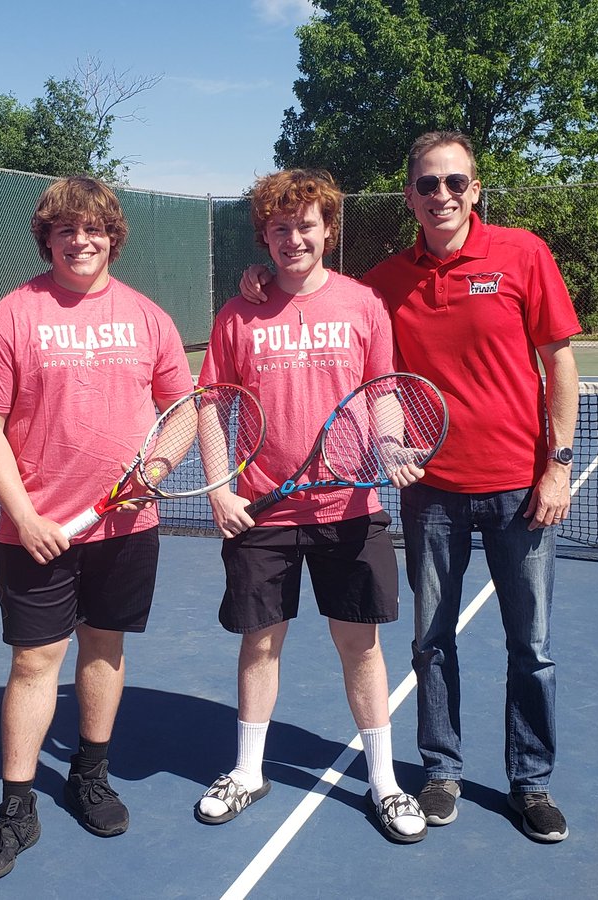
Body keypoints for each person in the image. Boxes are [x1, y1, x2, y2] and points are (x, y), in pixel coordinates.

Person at [240, 132, 580, 843]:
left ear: (476, 188)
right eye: (428, 184)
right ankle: (440, 772)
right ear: (410, 196)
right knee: (430, 642)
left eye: (455, 182)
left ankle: (531, 783)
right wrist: (257, 279)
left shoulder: (523, 253)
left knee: (533, 647)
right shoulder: (383, 282)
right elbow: (319, 301)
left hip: (522, 488)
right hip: (431, 493)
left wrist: (560, 464)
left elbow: (560, 363)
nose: (443, 195)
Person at [0, 176, 192, 882]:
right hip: (37, 533)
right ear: (48, 238)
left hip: (126, 527)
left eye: (93, 229)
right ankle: (15, 809)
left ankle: (89, 775)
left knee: (104, 649)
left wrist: (159, 463)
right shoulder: (11, 316)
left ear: (111, 236)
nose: (81, 240)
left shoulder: (149, 318)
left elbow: (183, 405)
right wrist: (23, 515)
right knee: (34, 665)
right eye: (66, 229)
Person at [197, 169, 428, 844]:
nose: (293, 238)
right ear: (263, 236)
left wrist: (389, 446)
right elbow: (213, 404)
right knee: (259, 643)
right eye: (279, 228)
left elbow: (383, 390)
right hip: (263, 513)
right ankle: (247, 772)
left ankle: (384, 782)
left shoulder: (361, 305)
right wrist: (219, 487)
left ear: (328, 229)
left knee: (360, 645)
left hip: (349, 510)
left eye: (306, 225)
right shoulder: (239, 312)